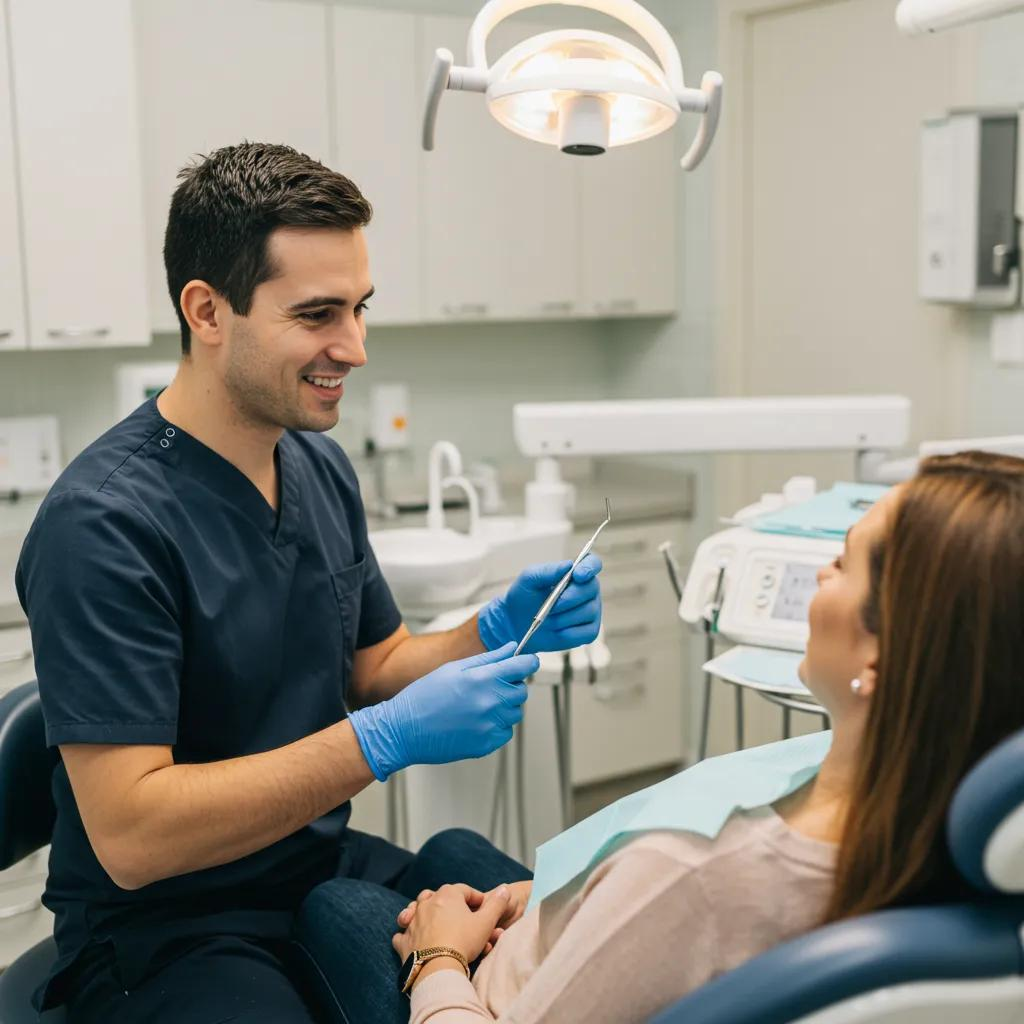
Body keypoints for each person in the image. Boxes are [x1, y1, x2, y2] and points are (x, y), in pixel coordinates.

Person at [15, 142, 604, 1023]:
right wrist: (382, 741)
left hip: (316, 867)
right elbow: (134, 836)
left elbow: (375, 666)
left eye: (361, 308)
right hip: (171, 923)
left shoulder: (318, 470)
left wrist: (490, 631)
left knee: (552, 938)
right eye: (319, 313)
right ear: (208, 311)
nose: (355, 347)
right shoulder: (103, 526)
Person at [307, 450, 1024, 1023]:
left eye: (843, 559)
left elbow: (682, 894)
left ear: (883, 653)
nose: (818, 573)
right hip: (611, 933)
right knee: (448, 852)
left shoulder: (697, 875)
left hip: (493, 998)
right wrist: (586, 898)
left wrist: (437, 962)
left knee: (334, 906)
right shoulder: (930, 792)